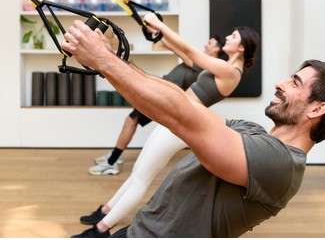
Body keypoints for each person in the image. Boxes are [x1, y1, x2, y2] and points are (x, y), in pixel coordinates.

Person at [61, 14, 325, 237]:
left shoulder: (280, 165)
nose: (280, 83)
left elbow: (180, 113)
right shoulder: (250, 131)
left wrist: (103, 59)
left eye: (295, 83)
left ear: (318, 108)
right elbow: (182, 100)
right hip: (137, 232)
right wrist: (110, 60)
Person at [71, 13, 260, 237]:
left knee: (141, 178)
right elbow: (185, 54)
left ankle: (100, 230)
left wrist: (161, 24)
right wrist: (160, 33)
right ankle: (106, 211)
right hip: (175, 119)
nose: (228, 37)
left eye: (234, 36)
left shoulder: (230, 72)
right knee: (138, 172)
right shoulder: (221, 67)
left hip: (183, 125)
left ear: (242, 48)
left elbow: (191, 52)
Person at [89, 35, 224, 175]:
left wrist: (161, 34)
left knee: (131, 120)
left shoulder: (204, 65)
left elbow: (177, 50)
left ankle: (112, 162)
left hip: (162, 97)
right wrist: (158, 34)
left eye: (210, 43)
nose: (206, 45)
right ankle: (114, 156)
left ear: (216, 48)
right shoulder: (202, 62)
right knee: (131, 120)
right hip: (158, 91)